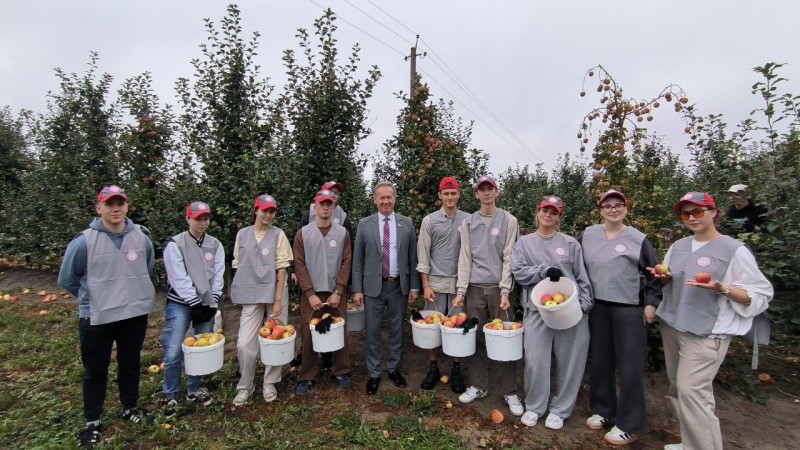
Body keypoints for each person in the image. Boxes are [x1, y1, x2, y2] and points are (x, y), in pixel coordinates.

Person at [649, 192, 773, 450]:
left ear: (714, 213)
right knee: (678, 389)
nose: (692, 218)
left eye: (698, 212)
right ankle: (690, 443)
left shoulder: (733, 250)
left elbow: (760, 293)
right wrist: (664, 277)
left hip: (707, 332)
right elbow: (671, 279)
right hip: (673, 323)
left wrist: (723, 289)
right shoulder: (679, 246)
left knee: (692, 391)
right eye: (686, 214)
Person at [59, 185, 156, 449]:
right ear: (98, 207)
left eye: (120, 203)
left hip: (133, 314)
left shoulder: (142, 238)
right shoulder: (83, 242)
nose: (115, 209)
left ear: (127, 207)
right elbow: (67, 279)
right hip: (97, 316)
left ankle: (130, 407)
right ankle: (92, 421)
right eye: (109, 204)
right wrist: (91, 297)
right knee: (95, 369)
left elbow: (145, 269)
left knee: (130, 363)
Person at [579, 189, 663, 445]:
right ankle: (603, 409)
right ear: (600, 210)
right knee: (601, 361)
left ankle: (630, 424)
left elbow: (655, 274)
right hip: (598, 307)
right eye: (608, 206)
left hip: (628, 308)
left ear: (626, 209)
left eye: (618, 205)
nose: (613, 209)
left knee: (630, 366)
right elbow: (575, 263)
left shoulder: (638, 239)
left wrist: (651, 303)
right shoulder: (589, 234)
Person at [511, 195, 593, 429]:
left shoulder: (570, 244)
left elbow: (581, 276)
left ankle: (560, 409)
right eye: (545, 210)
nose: (548, 215)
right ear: (538, 212)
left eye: (554, 212)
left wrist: (584, 304)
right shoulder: (523, 243)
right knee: (535, 360)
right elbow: (519, 272)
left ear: (559, 217)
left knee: (571, 361)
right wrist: (543, 271)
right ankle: (535, 406)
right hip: (538, 310)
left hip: (570, 310)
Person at [452, 176, 522, 416]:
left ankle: (510, 391)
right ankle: (478, 385)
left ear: (496, 191)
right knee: (477, 337)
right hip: (474, 289)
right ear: (476, 194)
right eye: (481, 189)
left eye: (489, 189)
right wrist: (461, 291)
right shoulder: (468, 223)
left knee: (505, 339)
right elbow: (465, 258)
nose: (486, 193)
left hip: (499, 290)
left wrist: (505, 290)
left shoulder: (508, 220)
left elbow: (509, 256)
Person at [352, 181, 421, 395]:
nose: (385, 201)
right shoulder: (365, 224)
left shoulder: (406, 223)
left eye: (389, 197)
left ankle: (393, 369)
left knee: (397, 330)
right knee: (372, 331)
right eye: (381, 197)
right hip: (372, 287)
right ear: (375, 200)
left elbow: (413, 257)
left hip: (398, 285)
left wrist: (414, 286)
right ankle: (374, 373)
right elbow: (358, 259)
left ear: (395, 199)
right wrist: (357, 289)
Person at [161, 201, 224, 418]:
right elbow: (178, 277)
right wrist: (193, 302)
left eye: (206, 219)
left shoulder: (215, 245)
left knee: (200, 348)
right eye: (198, 219)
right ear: (188, 219)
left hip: (206, 303)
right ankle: (171, 394)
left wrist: (213, 301)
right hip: (180, 302)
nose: (202, 223)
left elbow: (218, 274)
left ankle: (194, 389)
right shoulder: (175, 244)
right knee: (173, 349)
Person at [231, 194, 292, 406]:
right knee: (244, 343)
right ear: (256, 210)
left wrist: (278, 300)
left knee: (276, 338)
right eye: (265, 210)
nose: (268, 215)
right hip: (251, 292)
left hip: (275, 290)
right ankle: (245, 385)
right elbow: (238, 264)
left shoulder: (278, 234)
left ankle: (270, 382)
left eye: (272, 211)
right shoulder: (242, 235)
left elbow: (282, 268)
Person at [294, 189, 353, 393]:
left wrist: (339, 290)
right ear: (315, 206)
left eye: (330, 204)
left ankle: (342, 370)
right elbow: (299, 264)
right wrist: (309, 293)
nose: (326, 208)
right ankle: (307, 374)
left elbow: (346, 262)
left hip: (336, 293)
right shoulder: (303, 233)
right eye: (322, 204)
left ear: (334, 207)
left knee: (339, 329)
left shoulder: (342, 233)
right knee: (308, 332)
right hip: (311, 294)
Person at [415, 177, 470, 393]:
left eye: (453, 193)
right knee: (432, 329)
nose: (450, 197)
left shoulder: (468, 220)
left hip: (458, 286)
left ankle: (456, 369)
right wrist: (425, 285)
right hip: (435, 285)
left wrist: (464, 287)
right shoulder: (430, 221)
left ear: (459, 194)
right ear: (440, 195)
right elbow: (423, 255)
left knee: (457, 328)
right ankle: (433, 367)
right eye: (446, 193)